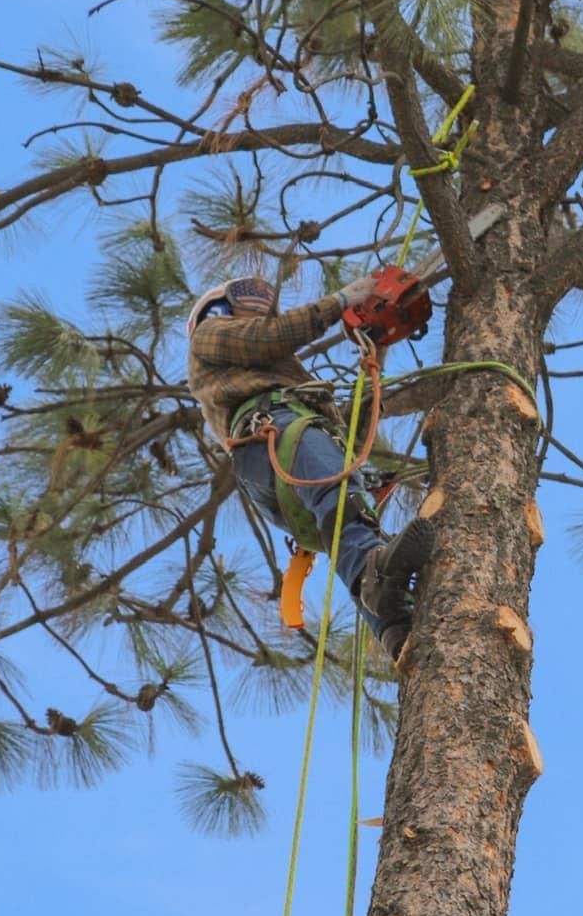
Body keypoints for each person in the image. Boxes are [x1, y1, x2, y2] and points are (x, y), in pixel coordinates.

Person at [185, 274, 433, 658]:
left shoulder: (289, 379)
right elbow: (269, 337)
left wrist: (375, 357)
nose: (257, 315)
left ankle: (394, 629)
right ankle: (376, 576)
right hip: (272, 433)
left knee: (350, 517)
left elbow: (353, 439)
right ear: (217, 311)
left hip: (288, 468)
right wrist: (341, 300)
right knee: (346, 506)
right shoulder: (210, 337)